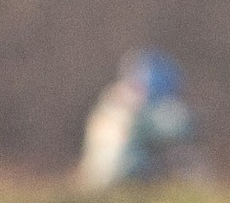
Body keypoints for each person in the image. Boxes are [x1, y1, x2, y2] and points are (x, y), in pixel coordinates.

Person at [77, 49, 200, 189]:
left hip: (95, 179)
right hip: (125, 175)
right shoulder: (136, 104)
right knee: (180, 155)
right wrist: (193, 119)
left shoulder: (110, 101)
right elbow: (179, 130)